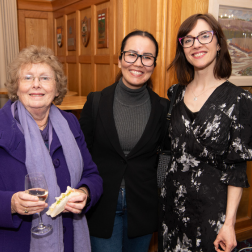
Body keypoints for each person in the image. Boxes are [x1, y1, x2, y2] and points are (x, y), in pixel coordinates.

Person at [160, 13, 252, 252]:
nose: (196, 44)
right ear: (183, 48)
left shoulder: (239, 99)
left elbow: (237, 168)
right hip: (172, 207)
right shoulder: (175, 93)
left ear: (218, 43)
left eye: (204, 36)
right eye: (188, 39)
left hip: (212, 213)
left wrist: (230, 223)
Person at [0, 45, 103, 252]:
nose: (36, 84)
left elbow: (92, 174)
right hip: (17, 243)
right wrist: (10, 204)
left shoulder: (71, 122)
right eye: (27, 77)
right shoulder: (2, 126)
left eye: (45, 78)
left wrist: (85, 192)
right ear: (16, 86)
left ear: (57, 88)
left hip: (69, 241)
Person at [79, 30, 170, 252]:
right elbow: (81, 153)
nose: (138, 63)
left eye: (147, 57)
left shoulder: (163, 107)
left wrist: (157, 185)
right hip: (101, 204)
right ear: (119, 59)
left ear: (154, 64)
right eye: (131, 54)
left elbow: (167, 152)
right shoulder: (95, 101)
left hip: (143, 206)